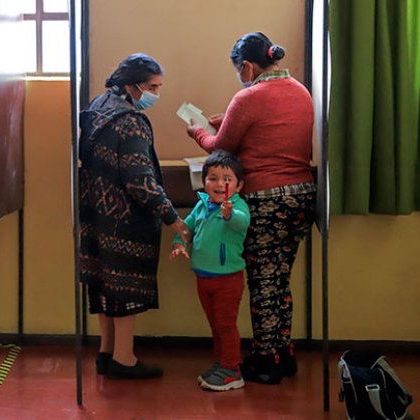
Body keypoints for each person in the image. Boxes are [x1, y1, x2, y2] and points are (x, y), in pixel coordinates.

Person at [185, 32, 316, 384]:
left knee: (262, 281)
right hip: (301, 198)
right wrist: (223, 122)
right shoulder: (300, 90)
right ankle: (283, 353)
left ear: (247, 66)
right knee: (279, 280)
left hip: (267, 200)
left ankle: (267, 361)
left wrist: (198, 132)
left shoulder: (249, 96)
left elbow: (220, 149)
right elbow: (268, 135)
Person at [79, 53, 189, 379]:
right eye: (153, 87)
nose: (157, 93)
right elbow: (140, 180)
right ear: (133, 85)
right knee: (125, 288)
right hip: (125, 219)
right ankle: (123, 358)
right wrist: (173, 218)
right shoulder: (130, 121)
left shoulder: (99, 106)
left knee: (103, 283)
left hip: (96, 213)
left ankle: (105, 351)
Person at [170, 150, 250, 391]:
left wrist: (229, 215)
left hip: (228, 279)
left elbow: (241, 223)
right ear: (203, 182)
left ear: (239, 185)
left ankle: (232, 370)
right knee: (215, 324)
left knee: (226, 324)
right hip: (203, 278)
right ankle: (221, 363)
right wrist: (179, 243)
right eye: (212, 178)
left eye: (226, 179)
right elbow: (186, 228)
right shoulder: (201, 205)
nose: (218, 184)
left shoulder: (238, 206)